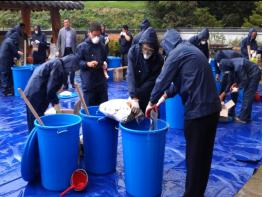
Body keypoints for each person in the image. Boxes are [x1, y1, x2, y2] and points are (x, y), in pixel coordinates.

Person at [145, 29, 221, 196]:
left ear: (167, 45)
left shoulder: (176, 54)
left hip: (198, 112)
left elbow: (162, 79)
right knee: (204, 156)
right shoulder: (190, 50)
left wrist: (150, 102)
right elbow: (183, 81)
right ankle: (198, 192)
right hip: (212, 110)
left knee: (194, 158)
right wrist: (163, 97)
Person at [24, 54, 80, 131]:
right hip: (35, 94)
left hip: (37, 92)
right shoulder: (58, 66)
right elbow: (50, 90)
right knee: (36, 121)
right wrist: (57, 107)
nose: (71, 71)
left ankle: (40, 139)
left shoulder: (58, 63)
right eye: (72, 69)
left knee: (39, 119)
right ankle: (37, 140)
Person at [127, 27, 163, 113]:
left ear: (154, 49)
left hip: (149, 93)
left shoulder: (159, 59)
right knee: (134, 116)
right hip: (135, 89)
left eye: (150, 50)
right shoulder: (133, 52)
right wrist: (133, 96)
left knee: (150, 116)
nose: (146, 52)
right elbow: (130, 74)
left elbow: (153, 80)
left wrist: (150, 101)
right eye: (144, 48)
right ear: (141, 45)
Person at [219, 57, 261, 123]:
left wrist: (238, 87)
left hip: (254, 74)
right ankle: (241, 115)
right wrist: (224, 93)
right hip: (247, 75)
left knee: (247, 95)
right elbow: (230, 81)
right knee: (243, 94)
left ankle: (244, 119)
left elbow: (244, 80)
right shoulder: (230, 66)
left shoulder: (238, 66)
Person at [77, 22, 108, 106]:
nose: (97, 38)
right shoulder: (82, 47)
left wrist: (104, 64)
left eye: (98, 35)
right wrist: (87, 64)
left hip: (101, 80)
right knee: (90, 106)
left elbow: (105, 59)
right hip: (88, 81)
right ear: (89, 33)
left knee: (103, 105)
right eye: (94, 35)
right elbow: (78, 62)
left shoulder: (102, 46)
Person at [214, 50, 243, 118]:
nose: (219, 64)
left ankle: (231, 111)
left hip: (236, 72)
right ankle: (222, 110)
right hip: (226, 70)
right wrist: (217, 73)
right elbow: (216, 64)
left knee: (234, 91)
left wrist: (225, 92)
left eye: (220, 63)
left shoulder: (233, 57)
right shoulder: (217, 57)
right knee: (222, 88)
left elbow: (231, 79)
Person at [57, 18, 77, 89]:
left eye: (67, 22)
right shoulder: (61, 31)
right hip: (64, 51)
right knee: (64, 68)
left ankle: (72, 82)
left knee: (73, 67)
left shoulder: (73, 31)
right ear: (64, 23)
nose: (66, 24)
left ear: (69, 23)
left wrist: (76, 51)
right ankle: (65, 84)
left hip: (71, 50)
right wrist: (58, 51)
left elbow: (75, 42)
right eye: (65, 22)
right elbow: (58, 42)